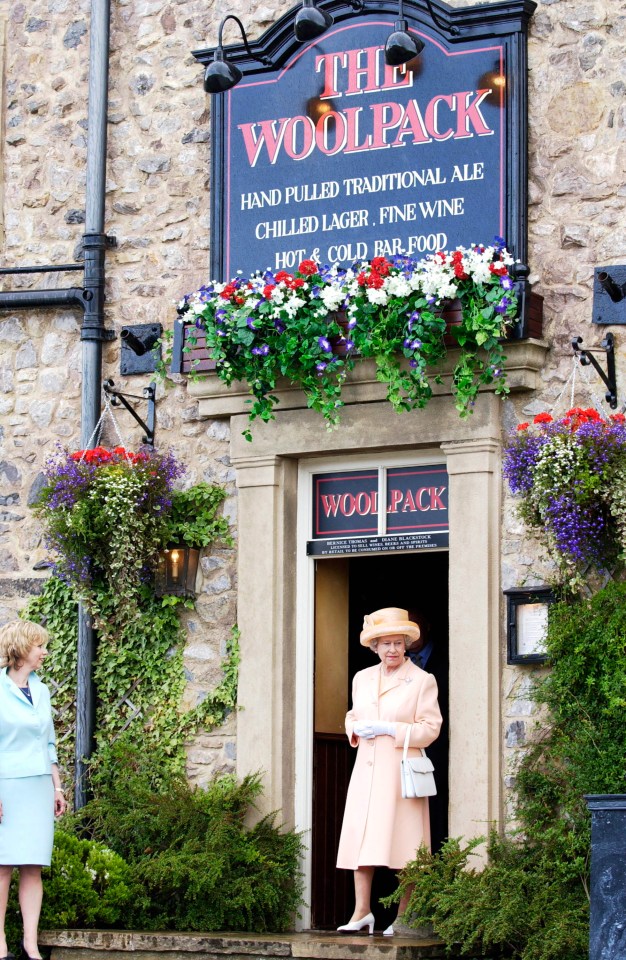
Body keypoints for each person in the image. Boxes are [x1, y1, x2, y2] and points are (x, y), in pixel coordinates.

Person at [336, 607, 442, 936]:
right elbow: (353, 715)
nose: (393, 649)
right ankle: (362, 912)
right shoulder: (362, 678)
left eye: (398, 643)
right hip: (366, 771)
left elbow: (431, 728)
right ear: (375, 647)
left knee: (404, 845)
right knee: (361, 840)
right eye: (386, 643)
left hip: (399, 772)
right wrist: (355, 728)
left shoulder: (422, 680)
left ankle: (404, 916)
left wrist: (391, 729)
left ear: (407, 645)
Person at [0, 621, 67, 960]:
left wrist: (57, 787)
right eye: (39, 646)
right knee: (1, 866)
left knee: (32, 866)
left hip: (39, 784)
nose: (44, 652)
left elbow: (49, 743)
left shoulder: (42, 690)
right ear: (21, 648)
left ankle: (30, 945)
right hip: (5, 786)